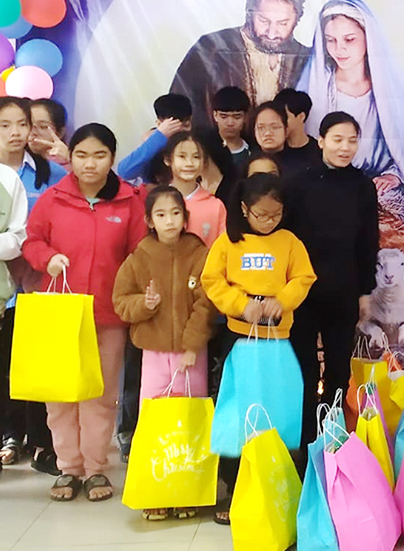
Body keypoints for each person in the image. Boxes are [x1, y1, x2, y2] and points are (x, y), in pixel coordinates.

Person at [23, 123, 147, 502]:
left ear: (112, 158)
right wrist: (48, 258)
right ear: (70, 157)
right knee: (60, 394)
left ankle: (95, 469)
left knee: (101, 395)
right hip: (60, 314)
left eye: (99, 155)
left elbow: (139, 255)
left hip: (108, 316)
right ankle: (68, 468)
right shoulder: (54, 198)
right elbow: (32, 242)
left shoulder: (129, 202)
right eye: (81, 155)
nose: (90, 164)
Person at [201, 173, 316, 523]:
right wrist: (239, 303)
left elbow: (304, 277)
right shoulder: (228, 243)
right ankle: (235, 488)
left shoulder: (290, 242)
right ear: (244, 209)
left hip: (279, 340)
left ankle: (278, 486)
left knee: (277, 412)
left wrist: (283, 300)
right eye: (261, 215)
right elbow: (212, 280)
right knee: (239, 413)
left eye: (275, 214)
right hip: (238, 339)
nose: (269, 221)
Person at [111, 186, 214, 520]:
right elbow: (121, 301)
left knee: (188, 422)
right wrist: (145, 304)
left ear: (185, 217)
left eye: (175, 213)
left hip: (191, 354)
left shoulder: (199, 253)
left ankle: (186, 491)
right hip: (153, 353)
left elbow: (207, 303)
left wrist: (191, 345)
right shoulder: (139, 256)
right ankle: (154, 491)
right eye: (161, 214)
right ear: (149, 220)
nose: (169, 221)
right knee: (154, 421)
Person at [298, 0, 404, 234]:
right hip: (328, 186)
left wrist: (394, 176)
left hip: (381, 193)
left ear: (368, 39)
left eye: (349, 40)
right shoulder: (315, 89)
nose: (339, 49)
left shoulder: (396, 94)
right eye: (330, 40)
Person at [284, 112, 380, 442]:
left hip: (344, 290)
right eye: (337, 140)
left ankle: (332, 434)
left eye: (352, 140)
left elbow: (369, 242)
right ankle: (304, 438)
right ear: (321, 140)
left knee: (339, 369)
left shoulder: (362, 186)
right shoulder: (297, 182)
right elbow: (285, 239)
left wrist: (365, 291)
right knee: (305, 368)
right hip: (302, 293)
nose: (345, 147)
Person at [0, 97, 62, 475]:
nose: (14, 133)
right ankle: (9, 435)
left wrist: (69, 159)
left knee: (37, 370)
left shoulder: (48, 172)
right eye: (4, 125)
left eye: (21, 124)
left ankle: (41, 442)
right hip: (5, 289)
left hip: (38, 289)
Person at [171, 0, 312, 129]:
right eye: (264, 20)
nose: (272, 33)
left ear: (297, 19)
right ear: (249, 12)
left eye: (283, 23)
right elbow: (178, 109)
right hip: (219, 152)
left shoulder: (305, 58)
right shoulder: (211, 48)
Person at [160, 132, 227, 246]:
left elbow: (222, 250)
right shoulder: (157, 201)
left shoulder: (215, 206)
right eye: (182, 156)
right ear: (167, 160)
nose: (189, 163)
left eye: (196, 157)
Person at [117, 94, 193, 183]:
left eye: (186, 125)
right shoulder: (153, 144)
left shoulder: (197, 141)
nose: (180, 133)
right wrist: (158, 137)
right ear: (160, 124)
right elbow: (125, 172)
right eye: (172, 127)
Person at [273, 88, 322, 173]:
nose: (280, 122)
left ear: (301, 117)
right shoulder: (273, 149)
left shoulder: (319, 152)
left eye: (285, 117)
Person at [211, 87, 252, 169]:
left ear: (245, 117)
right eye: (223, 116)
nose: (230, 123)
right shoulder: (204, 149)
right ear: (215, 116)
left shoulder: (253, 150)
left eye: (237, 117)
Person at [27, 98, 70, 168]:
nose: (33, 132)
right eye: (29, 124)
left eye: (42, 126)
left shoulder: (68, 164)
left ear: (60, 132)